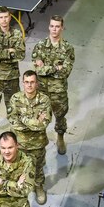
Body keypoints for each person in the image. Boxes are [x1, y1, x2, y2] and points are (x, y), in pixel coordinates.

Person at [31, 15, 75, 154]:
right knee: (40, 115)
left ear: (62, 28)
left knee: (60, 116)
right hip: (42, 90)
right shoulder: (40, 46)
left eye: (57, 26)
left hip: (59, 91)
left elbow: (65, 72)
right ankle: (41, 137)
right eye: (52, 26)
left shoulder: (68, 48)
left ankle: (60, 137)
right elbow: (38, 70)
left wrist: (46, 68)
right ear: (49, 27)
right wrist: (56, 67)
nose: (54, 29)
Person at [8, 70, 52, 205]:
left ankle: (38, 186)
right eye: (26, 82)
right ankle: (18, 188)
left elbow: (43, 124)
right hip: (19, 144)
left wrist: (23, 119)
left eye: (32, 82)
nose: (29, 85)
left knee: (37, 167)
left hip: (37, 144)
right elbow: (13, 121)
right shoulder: (15, 98)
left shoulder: (44, 100)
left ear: (37, 83)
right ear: (22, 83)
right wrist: (34, 121)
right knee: (17, 167)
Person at [0, 7, 25, 122]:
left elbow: (21, 55)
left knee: (14, 106)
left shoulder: (17, 34)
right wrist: (10, 51)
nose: (4, 20)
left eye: (6, 17)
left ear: (10, 18)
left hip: (11, 77)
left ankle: (13, 130)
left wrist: (1, 53)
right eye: (1, 17)